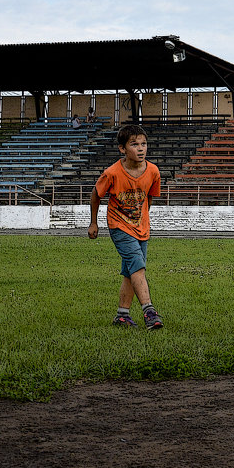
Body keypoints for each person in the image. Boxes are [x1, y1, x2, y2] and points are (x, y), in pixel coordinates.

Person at [88, 124, 164, 330]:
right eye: (134, 144)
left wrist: (144, 219)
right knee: (138, 266)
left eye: (144, 144)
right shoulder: (112, 173)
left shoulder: (153, 171)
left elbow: (149, 198)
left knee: (131, 271)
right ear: (122, 149)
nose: (140, 148)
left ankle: (122, 315)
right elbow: (96, 195)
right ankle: (149, 311)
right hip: (119, 226)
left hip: (141, 227)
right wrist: (93, 222)